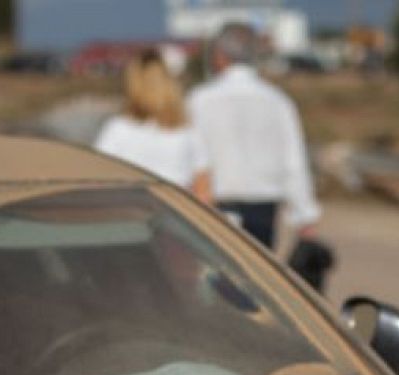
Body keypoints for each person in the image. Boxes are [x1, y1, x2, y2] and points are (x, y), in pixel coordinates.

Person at [187, 23, 320, 249]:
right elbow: (294, 161)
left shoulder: (199, 100)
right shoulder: (278, 101)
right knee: (256, 277)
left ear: (220, 55)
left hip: (215, 206)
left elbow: (189, 154)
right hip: (264, 208)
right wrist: (304, 214)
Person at [93, 50, 214, 203]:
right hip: (177, 216)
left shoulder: (117, 129)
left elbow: (97, 181)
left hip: (130, 213)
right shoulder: (187, 130)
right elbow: (204, 191)